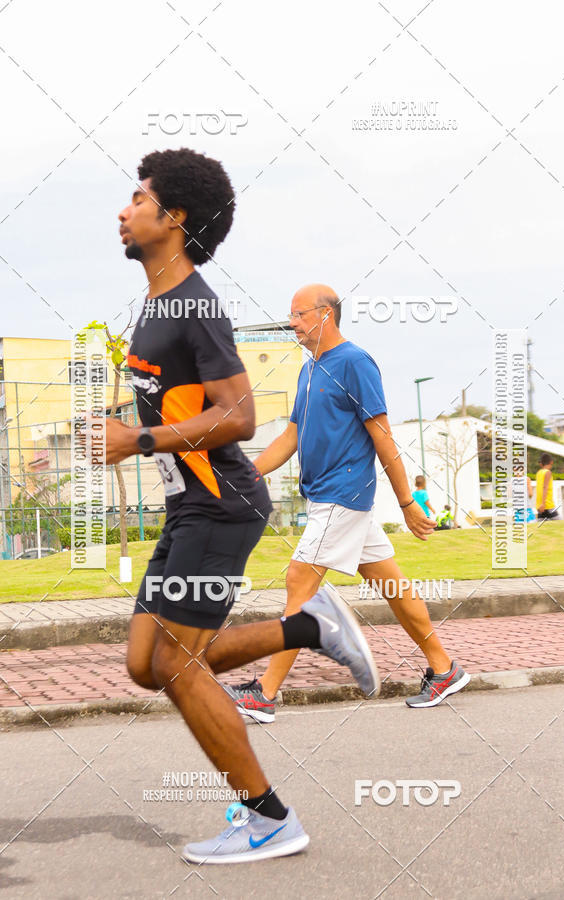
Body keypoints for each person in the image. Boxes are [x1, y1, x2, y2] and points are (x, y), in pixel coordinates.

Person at [106, 150, 380, 864]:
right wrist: (119, 428)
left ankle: (269, 818)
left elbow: (241, 414)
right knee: (147, 661)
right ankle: (305, 626)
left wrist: (135, 438)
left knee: (174, 664)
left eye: (138, 199)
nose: (123, 210)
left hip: (219, 506)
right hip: (190, 507)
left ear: (175, 218)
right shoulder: (157, 305)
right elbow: (179, 407)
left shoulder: (193, 305)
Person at [226, 284, 470, 723]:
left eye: (299, 314)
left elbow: (382, 435)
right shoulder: (310, 368)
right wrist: (251, 473)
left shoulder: (355, 362)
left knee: (300, 581)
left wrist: (408, 501)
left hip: (345, 495)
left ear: (325, 315)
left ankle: (264, 694)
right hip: (326, 497)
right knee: (392, 585)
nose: (292, 323)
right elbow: (292, 436)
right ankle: (444, 668)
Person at [536, 453, 559, 520]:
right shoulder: (548, 472)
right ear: (551, 462)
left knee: (541, 527)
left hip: (539, 505)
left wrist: (541, 504)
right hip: (547, 505)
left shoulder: (539, 473)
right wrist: (543, 504)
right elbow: (545, 487)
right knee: (561, 525)